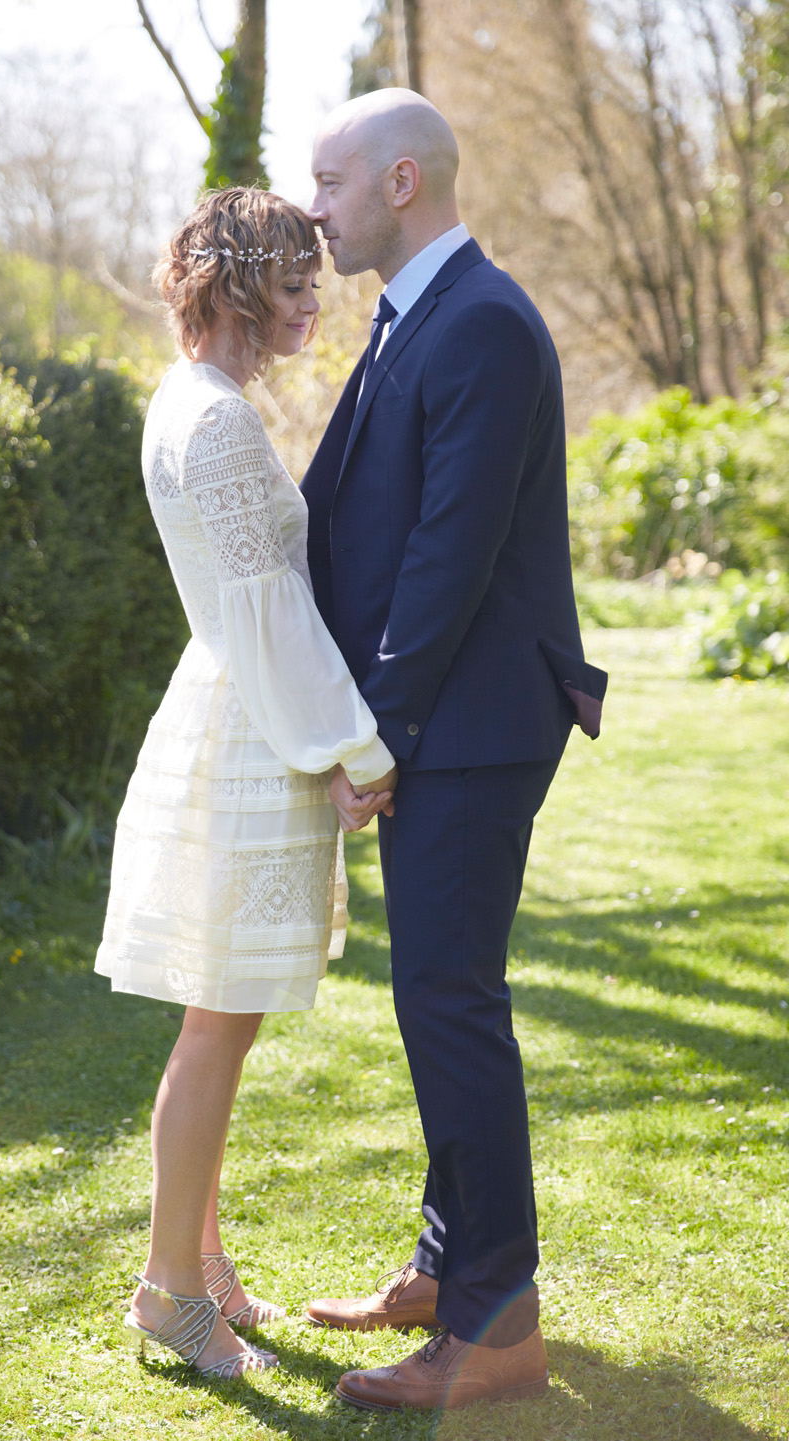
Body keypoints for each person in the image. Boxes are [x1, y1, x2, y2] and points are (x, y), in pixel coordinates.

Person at [300, 89, 608, 1412]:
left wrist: (379, 730)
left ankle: (496, 1326)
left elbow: (449, 552)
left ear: (403, 181)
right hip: (448, 714)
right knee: (441, 996)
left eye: (329, 184)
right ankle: (446, 1266)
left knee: (451, 1005)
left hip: (474, 721)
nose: (316, 210)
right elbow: (355, 513)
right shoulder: (417, 310)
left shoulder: (479, 320)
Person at [92, 187, 396, 1382]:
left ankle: (201, 1260)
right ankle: (169, 1290)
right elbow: (270, 614)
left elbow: (262, 602)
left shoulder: (198, 400)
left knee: (219, 1017)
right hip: (250, 729)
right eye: (297, 279)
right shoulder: (212, 420)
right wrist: (353, 749)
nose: (314, 299)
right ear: (240, 281)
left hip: (239, 714)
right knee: (220, 1024)